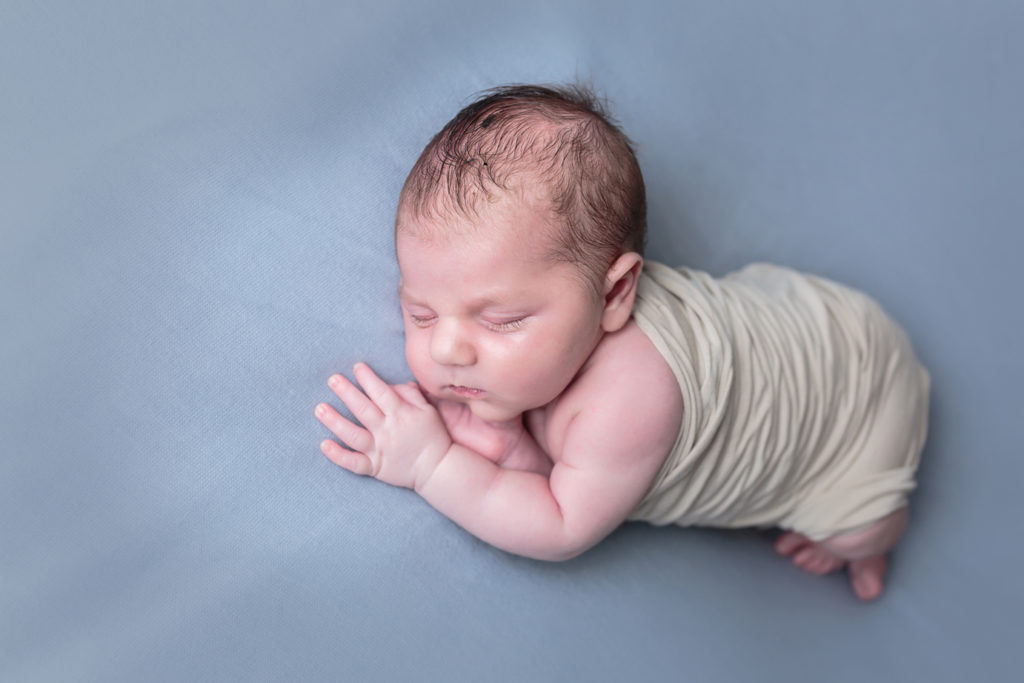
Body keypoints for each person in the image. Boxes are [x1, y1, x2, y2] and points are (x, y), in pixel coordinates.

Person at [314, 84, 930, 601]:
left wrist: (432, 465)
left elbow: (560, 522)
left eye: (501, 320)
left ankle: (874, 543)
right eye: (420, 312)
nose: (447, 349)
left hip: (851, 415)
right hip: (803, 322)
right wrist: (509, 442)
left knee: (857, 527)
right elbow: (557, 468)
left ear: (614, 295)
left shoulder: (631, 401)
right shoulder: (547, 349)